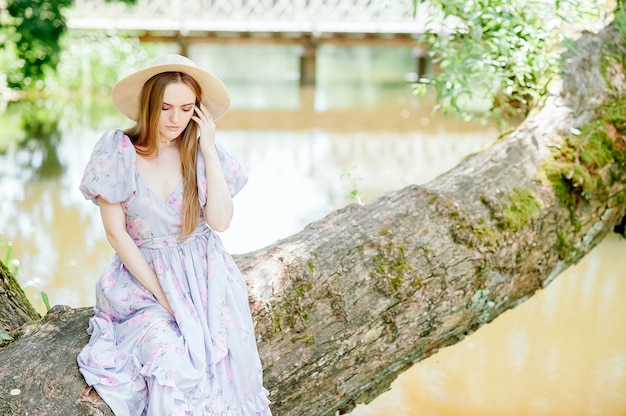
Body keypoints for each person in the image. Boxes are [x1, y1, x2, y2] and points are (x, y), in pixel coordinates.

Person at [76, 54, 272, 415]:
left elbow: (221, 221)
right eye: (166, 108)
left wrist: (209, 150)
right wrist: (165, 296)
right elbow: (117, 235)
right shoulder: (118, 150)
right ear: (150, 105)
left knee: (223, 369)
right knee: (170, 359)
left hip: (206, 276)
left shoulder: (197, 150)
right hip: (141, 280)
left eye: (187, 108)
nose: (175, 119)